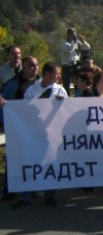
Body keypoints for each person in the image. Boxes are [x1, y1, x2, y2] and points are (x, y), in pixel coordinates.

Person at [11, 62, 67, 209]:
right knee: (30, 164)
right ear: (47, 74)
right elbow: (23, 110)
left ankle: (50, 195)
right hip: (32, 134)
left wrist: (63, 104)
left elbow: (67, 112)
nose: (59, 76)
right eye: (56, 73)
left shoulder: (60, 91)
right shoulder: (31, 90)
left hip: (52, 135)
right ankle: (26, 196)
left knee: (51, 165)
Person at [1, 56, 39, 201]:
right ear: (23, 67)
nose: (35, 68)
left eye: (36, 65)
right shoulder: (12, 85)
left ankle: (32, 188)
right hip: (16, 128)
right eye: (31, 65)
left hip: (35, 130)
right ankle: (9, 189)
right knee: (13, 158)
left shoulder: (42, 83)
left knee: (33, 159)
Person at [60, 28, 91, 95]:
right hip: (66, 66)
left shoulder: (76, 42)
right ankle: (66, 97)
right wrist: (75, 42)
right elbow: (69, 50)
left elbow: (87, 47)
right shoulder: (63, 42)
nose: (74, 37)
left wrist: (83, 41)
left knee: (77, 84)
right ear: (68, 35)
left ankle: (78, 97)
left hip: (75, 65)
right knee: (66, 84)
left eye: (75, 35)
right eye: (72, 35)